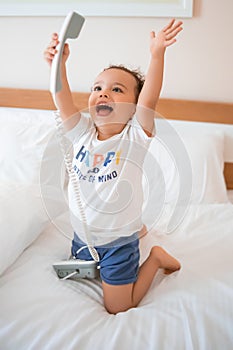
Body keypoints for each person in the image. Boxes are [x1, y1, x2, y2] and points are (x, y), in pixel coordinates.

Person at [44, 18, 182, 314]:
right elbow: (60, 96)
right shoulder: (80, 132)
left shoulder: (134, 136)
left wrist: (157, 54)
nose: (104, 93)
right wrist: (58, 64)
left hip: (118, 244)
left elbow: (150, 98)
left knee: (119, 306)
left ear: (134, 107)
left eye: (117, 90)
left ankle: (155, 257)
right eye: (97, 87)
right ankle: (139, 229)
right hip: (82, 237)